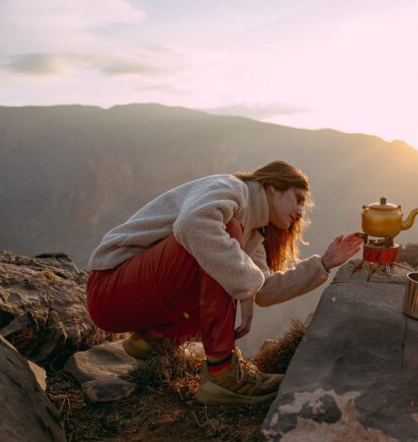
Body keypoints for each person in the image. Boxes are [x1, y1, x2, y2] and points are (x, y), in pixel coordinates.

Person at [86, 160, 362, 405]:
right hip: (109, 289)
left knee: (229, 254)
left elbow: (262, 289)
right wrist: (244, 283)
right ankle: (221, 372)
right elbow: (192, 224)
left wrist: (323, 263)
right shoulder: (232, 188)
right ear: (272, 187)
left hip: (137, 299)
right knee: (225, 237)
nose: (301, 212)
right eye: (298, 199)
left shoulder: (253, 233)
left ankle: (152, 340)